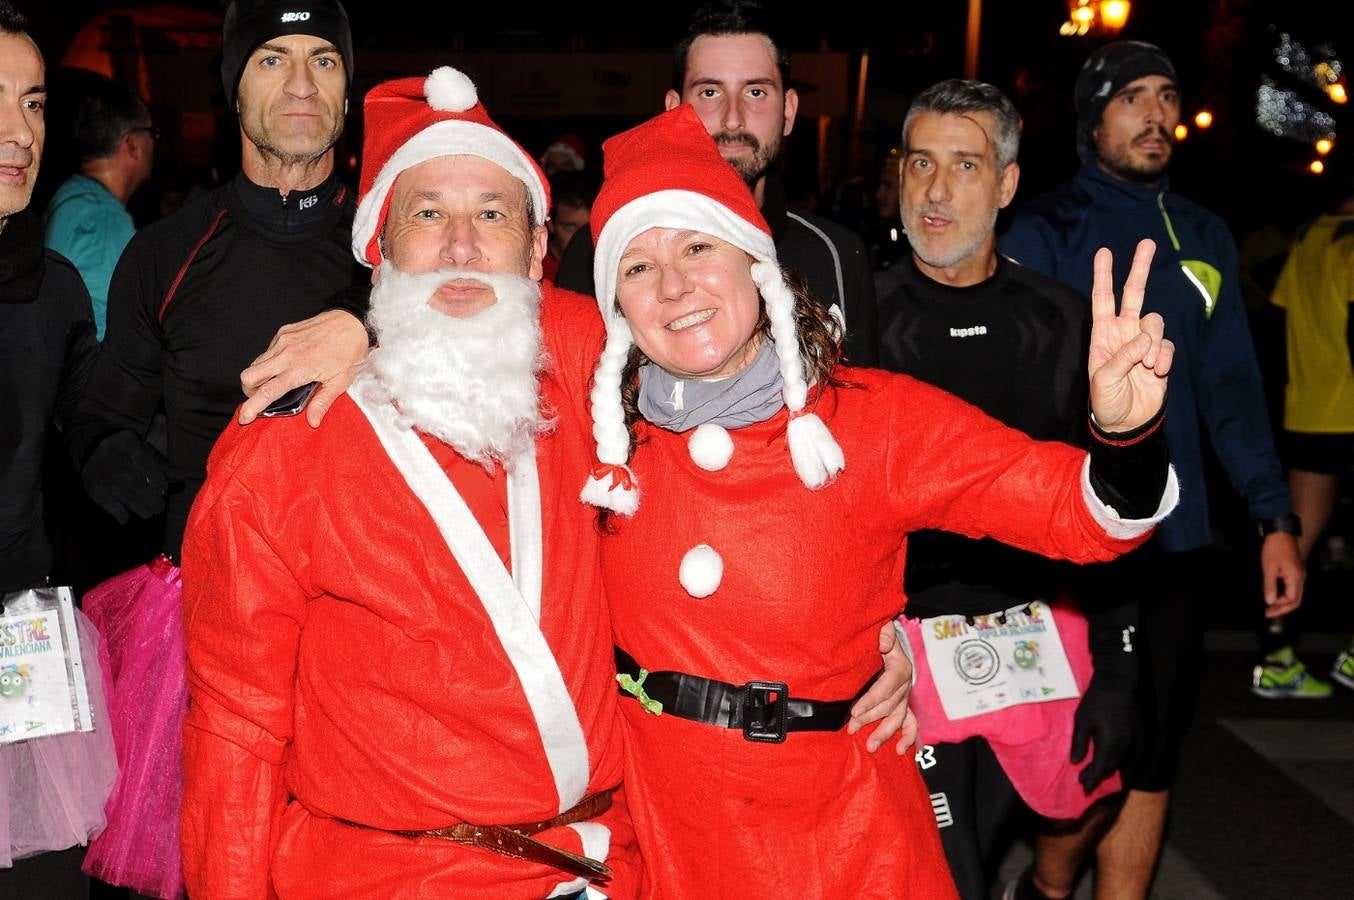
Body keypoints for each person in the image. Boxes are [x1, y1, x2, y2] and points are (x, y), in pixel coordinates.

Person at [578, 102, 1178, 899]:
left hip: (840, 838)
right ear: (614, 303)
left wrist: (1124, 435)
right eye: (638, 266)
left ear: (756, 261)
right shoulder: (590, 435)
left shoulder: (871, 420)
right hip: (661, 838)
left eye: (697, 245)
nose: (675, 285)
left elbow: (1078, 515)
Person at [59, 2, 368, 896]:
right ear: (233, 87)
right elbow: (103, 411)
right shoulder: (166, 254)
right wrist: (102, 448)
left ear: (349, 91)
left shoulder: (393, 257)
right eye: (272, 59)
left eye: (324, 60)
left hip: (361, 634)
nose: (302, 84)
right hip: (206, 644)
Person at [998, 40, 1304, 900]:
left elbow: (1234, 390)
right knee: (1085, 754)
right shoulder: (1042, 229)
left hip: (1173, 537)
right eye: (1132, 97)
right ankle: (1051, 887)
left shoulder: (1202, 234)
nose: (1157, 115)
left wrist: (1275, 519)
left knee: (1155, 749)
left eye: (1166, 97)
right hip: (1064, 540)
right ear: (1093, 115)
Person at [876, 79, 1140, 899]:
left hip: (1036, 631)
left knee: (1058, 822)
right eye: (921, 162)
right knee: (948, 875)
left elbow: (1108, 509)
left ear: (1008, 183)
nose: (937, 190)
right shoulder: (857, 314)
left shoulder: (1063, 320)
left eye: (965, 165)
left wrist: (1119, 667)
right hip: (905, 646)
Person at [554, 0, 879, 365]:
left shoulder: (836, 253)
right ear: (673, 110)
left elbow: (862, 409)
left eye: (756, 92)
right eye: (710, 93)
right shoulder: (599, 251)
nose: (733, 120)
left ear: (788, 111)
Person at [0, 4, 118, 895]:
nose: (19, 132)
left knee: (45, 881)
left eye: (35, 104)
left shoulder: (54, 289)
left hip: (25, 654)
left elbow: (103, 458)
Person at [1260, 167, 1354, 694]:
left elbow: (1276, 320)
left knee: (1295, 542)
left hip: (1307, 411)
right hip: (1349, 409)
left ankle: (1277, 658)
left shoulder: (1308, 236)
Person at [43, 73, 154, 340]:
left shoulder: (70, 196)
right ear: (133, 144)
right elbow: (108, 335)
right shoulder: (102, 219)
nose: (155, 143)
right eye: (153, 133)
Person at [544, 170, 592, 282]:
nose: (580, 237)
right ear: (550, 224)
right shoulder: (536, 274)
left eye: (587, 229)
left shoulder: (604, 269)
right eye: (570, 227)